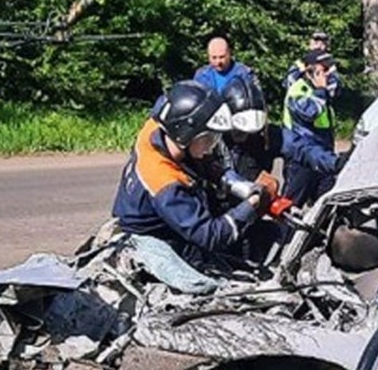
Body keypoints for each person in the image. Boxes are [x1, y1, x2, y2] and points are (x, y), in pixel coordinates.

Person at [112, 80, 269, 266]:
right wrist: (252, 204)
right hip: (156, 245)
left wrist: (237, 183)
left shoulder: (156, 129)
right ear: (185, 135)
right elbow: (210, 236)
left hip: (157, 225)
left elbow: (202, 161)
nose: (211, 146)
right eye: (208, 138)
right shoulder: (165, 182)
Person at [216, 75, 337, 194]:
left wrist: (334, 162)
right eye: (240, 132)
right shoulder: (211, 142)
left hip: (252, 203)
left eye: (253, 133)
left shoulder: (268, 135)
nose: (246, 137)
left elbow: (302, 148)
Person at [281, 50, 341, 206]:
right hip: (302, 160)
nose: (329, 74)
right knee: (291, 206)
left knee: (326, 206)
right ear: (311, 72)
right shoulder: (297, 90)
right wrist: (321, 90)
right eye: (324, 70)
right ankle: (282, 231)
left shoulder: (322, 88)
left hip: (323, 155)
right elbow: (310, 112)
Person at [283, 31, 342, 98]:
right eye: (316, 41)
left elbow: (334, 92)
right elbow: (288, 84)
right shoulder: (300, 65)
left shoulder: (330, 67)